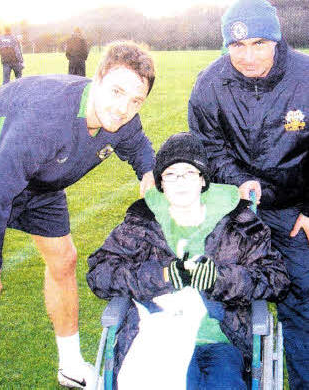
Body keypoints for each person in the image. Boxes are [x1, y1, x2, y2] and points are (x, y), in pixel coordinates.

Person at [0, 40, 156, 389]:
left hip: (41, 182)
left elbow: (137, 144)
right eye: (116, 91)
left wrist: (148, 171)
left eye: (135, 100)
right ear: (96, 79)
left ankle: (70, 365)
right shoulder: (46, 120)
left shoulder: (123, 118)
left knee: (64, 259)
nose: (123, 107)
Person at [87, 132, 289, 390]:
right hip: (159, 337)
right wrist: (161, 276)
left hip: (222, 340)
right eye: (171, 174)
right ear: (160, 182)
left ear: (203, 179)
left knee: (224, 384)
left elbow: (276, 278)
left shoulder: (238, 223)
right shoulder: (142, 222)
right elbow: (100, 273)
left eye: (190, 173)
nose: (180, 181)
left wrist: (220, 278)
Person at [188, 0, 309, 388]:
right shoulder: (209, 84)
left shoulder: (306, 77)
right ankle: (238, 377)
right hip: (235, 209)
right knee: (227, 295)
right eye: (237, 46)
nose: (248, 56)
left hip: (294, 210)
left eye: (259, 43)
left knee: (303, 300)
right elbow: (208, 146)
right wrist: (237, 180)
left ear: (277, 40)